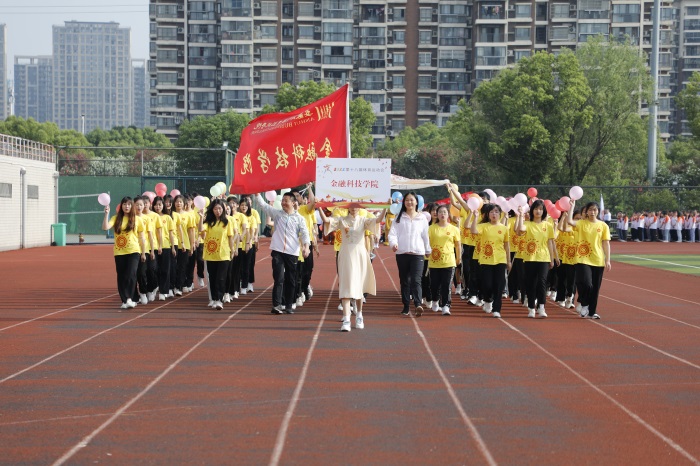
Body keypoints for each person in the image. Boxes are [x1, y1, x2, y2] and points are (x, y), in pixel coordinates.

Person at [322, 204, 386, 331]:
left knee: (359, 286)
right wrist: (319, 206)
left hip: (360, 254)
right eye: (351, 206)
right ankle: (346, 319)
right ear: (348, 207)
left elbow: (378, 220)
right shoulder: (342, 219)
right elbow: (326, 220)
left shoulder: (363, 220)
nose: (354, 208)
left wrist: (386, 207)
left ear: (360, 207)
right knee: (346, 285)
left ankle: (359, 316)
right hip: (345, 253)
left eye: (356, 206)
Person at [255, 191, 311, 314]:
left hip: (292, 252)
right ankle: (276, 305)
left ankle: (289, 305)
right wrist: (257, 195)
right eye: (283, 201)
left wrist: (306, 247)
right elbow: (264, 206)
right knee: (278, 278)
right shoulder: (277, 214)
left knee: (291, 279)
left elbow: (305, 234)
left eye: (286, 201)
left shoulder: (299, 219)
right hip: (278, 251)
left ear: (293, 203)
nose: (283, 203)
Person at [388, 192, 431, 317]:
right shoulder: (399, 217)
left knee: (416, 280)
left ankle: (418, 304)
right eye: (407, 200)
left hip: (418, 253)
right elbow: (392, 234)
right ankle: (406, 305)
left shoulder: (422, 218)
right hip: (402, 253)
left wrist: (428, 250)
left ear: (416, 202)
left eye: (412, 200)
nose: (409, 202)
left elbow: (425, 236)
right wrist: (393, 244)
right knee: (405, 280)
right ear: (403, 202)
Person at [567, 200, 611, 319]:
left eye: (595, 210)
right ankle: (584, 303)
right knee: (586, 283)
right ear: (586, 211)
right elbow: (569, 221)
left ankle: (592, 312)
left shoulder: (603, 225)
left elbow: (606, 243)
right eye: (590, 209)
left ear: (598, 211)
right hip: (582, 258)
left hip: (597, 259)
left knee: (595, 287)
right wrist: (572, 207)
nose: (592, 212)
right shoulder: (581, 223)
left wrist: (608, 260)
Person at [102, 196, 147, 310]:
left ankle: (130, 298)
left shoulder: (137, 219)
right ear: (121, 206)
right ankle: (125, 300)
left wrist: (143, 253)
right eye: (124, 204)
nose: (126, 206)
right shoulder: (116, 218)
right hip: (119, 252)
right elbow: (105, 227)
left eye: (129, 204)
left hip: (134, 250)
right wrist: (106, 214)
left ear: (132, 206)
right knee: (121, 276)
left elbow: (142, 238)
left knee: (131, 274)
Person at [516, 200, 559, 318]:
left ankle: (541, 307)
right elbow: (519, 231)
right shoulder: (528, 224)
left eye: (540, 209)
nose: (538, 211)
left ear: (544, 211)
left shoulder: (548, 226)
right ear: (532, 211)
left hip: (543, 258)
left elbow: (550, 242)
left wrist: (551, 258)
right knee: (531, 283)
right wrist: (520, 216)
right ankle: (531, 308)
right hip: (530, 258)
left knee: (542, 282)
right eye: (536, 209)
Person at [470, 203, 510, 318]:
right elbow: (473, 231)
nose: (494, 214)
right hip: (486, 260)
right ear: (488, 214)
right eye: (492, 212)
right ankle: (487, 300)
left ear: (500, 214)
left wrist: (509, 261)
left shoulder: (504, 228)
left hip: (500, 259)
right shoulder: (484, 226)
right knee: (487, 284)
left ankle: (497, 309)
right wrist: (476, 217)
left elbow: (507, 245)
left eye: (496, 212)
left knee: (499, 284)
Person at [199, 199, 237, 310]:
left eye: (220, 208)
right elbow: (201, 231)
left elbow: (230, 237)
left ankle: (219, 300)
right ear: (212, 210)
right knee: (213, 278)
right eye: (215, 208)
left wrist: (232, 250)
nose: (218, 211)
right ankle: (214, 299)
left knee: (221, 278)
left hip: (224, 254)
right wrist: (201, 217)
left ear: (223, 210)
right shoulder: (208, 223)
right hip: (210, 254)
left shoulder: (227, 222)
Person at [428, 204, 461, 315]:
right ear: (436, 214)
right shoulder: (431, 228)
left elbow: (457, 245)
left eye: (445, 212)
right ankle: (435, 300)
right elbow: (427, 243)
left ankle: (446, 305)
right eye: (440, 212)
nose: (442, 214)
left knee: (446, 284)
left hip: (449, 261)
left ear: (448, 215)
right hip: (434, 261)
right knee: (434, 284)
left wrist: (458, 257)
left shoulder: (454, 229)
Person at [152, 196, 177, 301]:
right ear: (153, 205)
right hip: (153, 246)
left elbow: (171, 234)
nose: (158, 207)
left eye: (160, 205)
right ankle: (155, 286)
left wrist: (173, 247)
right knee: (154, 269)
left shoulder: (167, 218)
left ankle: (164, 291)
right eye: (156, 205)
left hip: (166, 246)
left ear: (163, 206)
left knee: (165, 269)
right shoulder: (150, 217)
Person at [555, 209, 580, 309]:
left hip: (576, 259)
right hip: (563, 257)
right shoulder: (568, 228)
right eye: (576, 218)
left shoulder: (580, 229)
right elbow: (560, 227)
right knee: (562, 279)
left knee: (572, 281)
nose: (578, 220)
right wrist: (565, 216)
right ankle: (561, 298)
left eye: (580, 218)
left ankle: (570, 298)